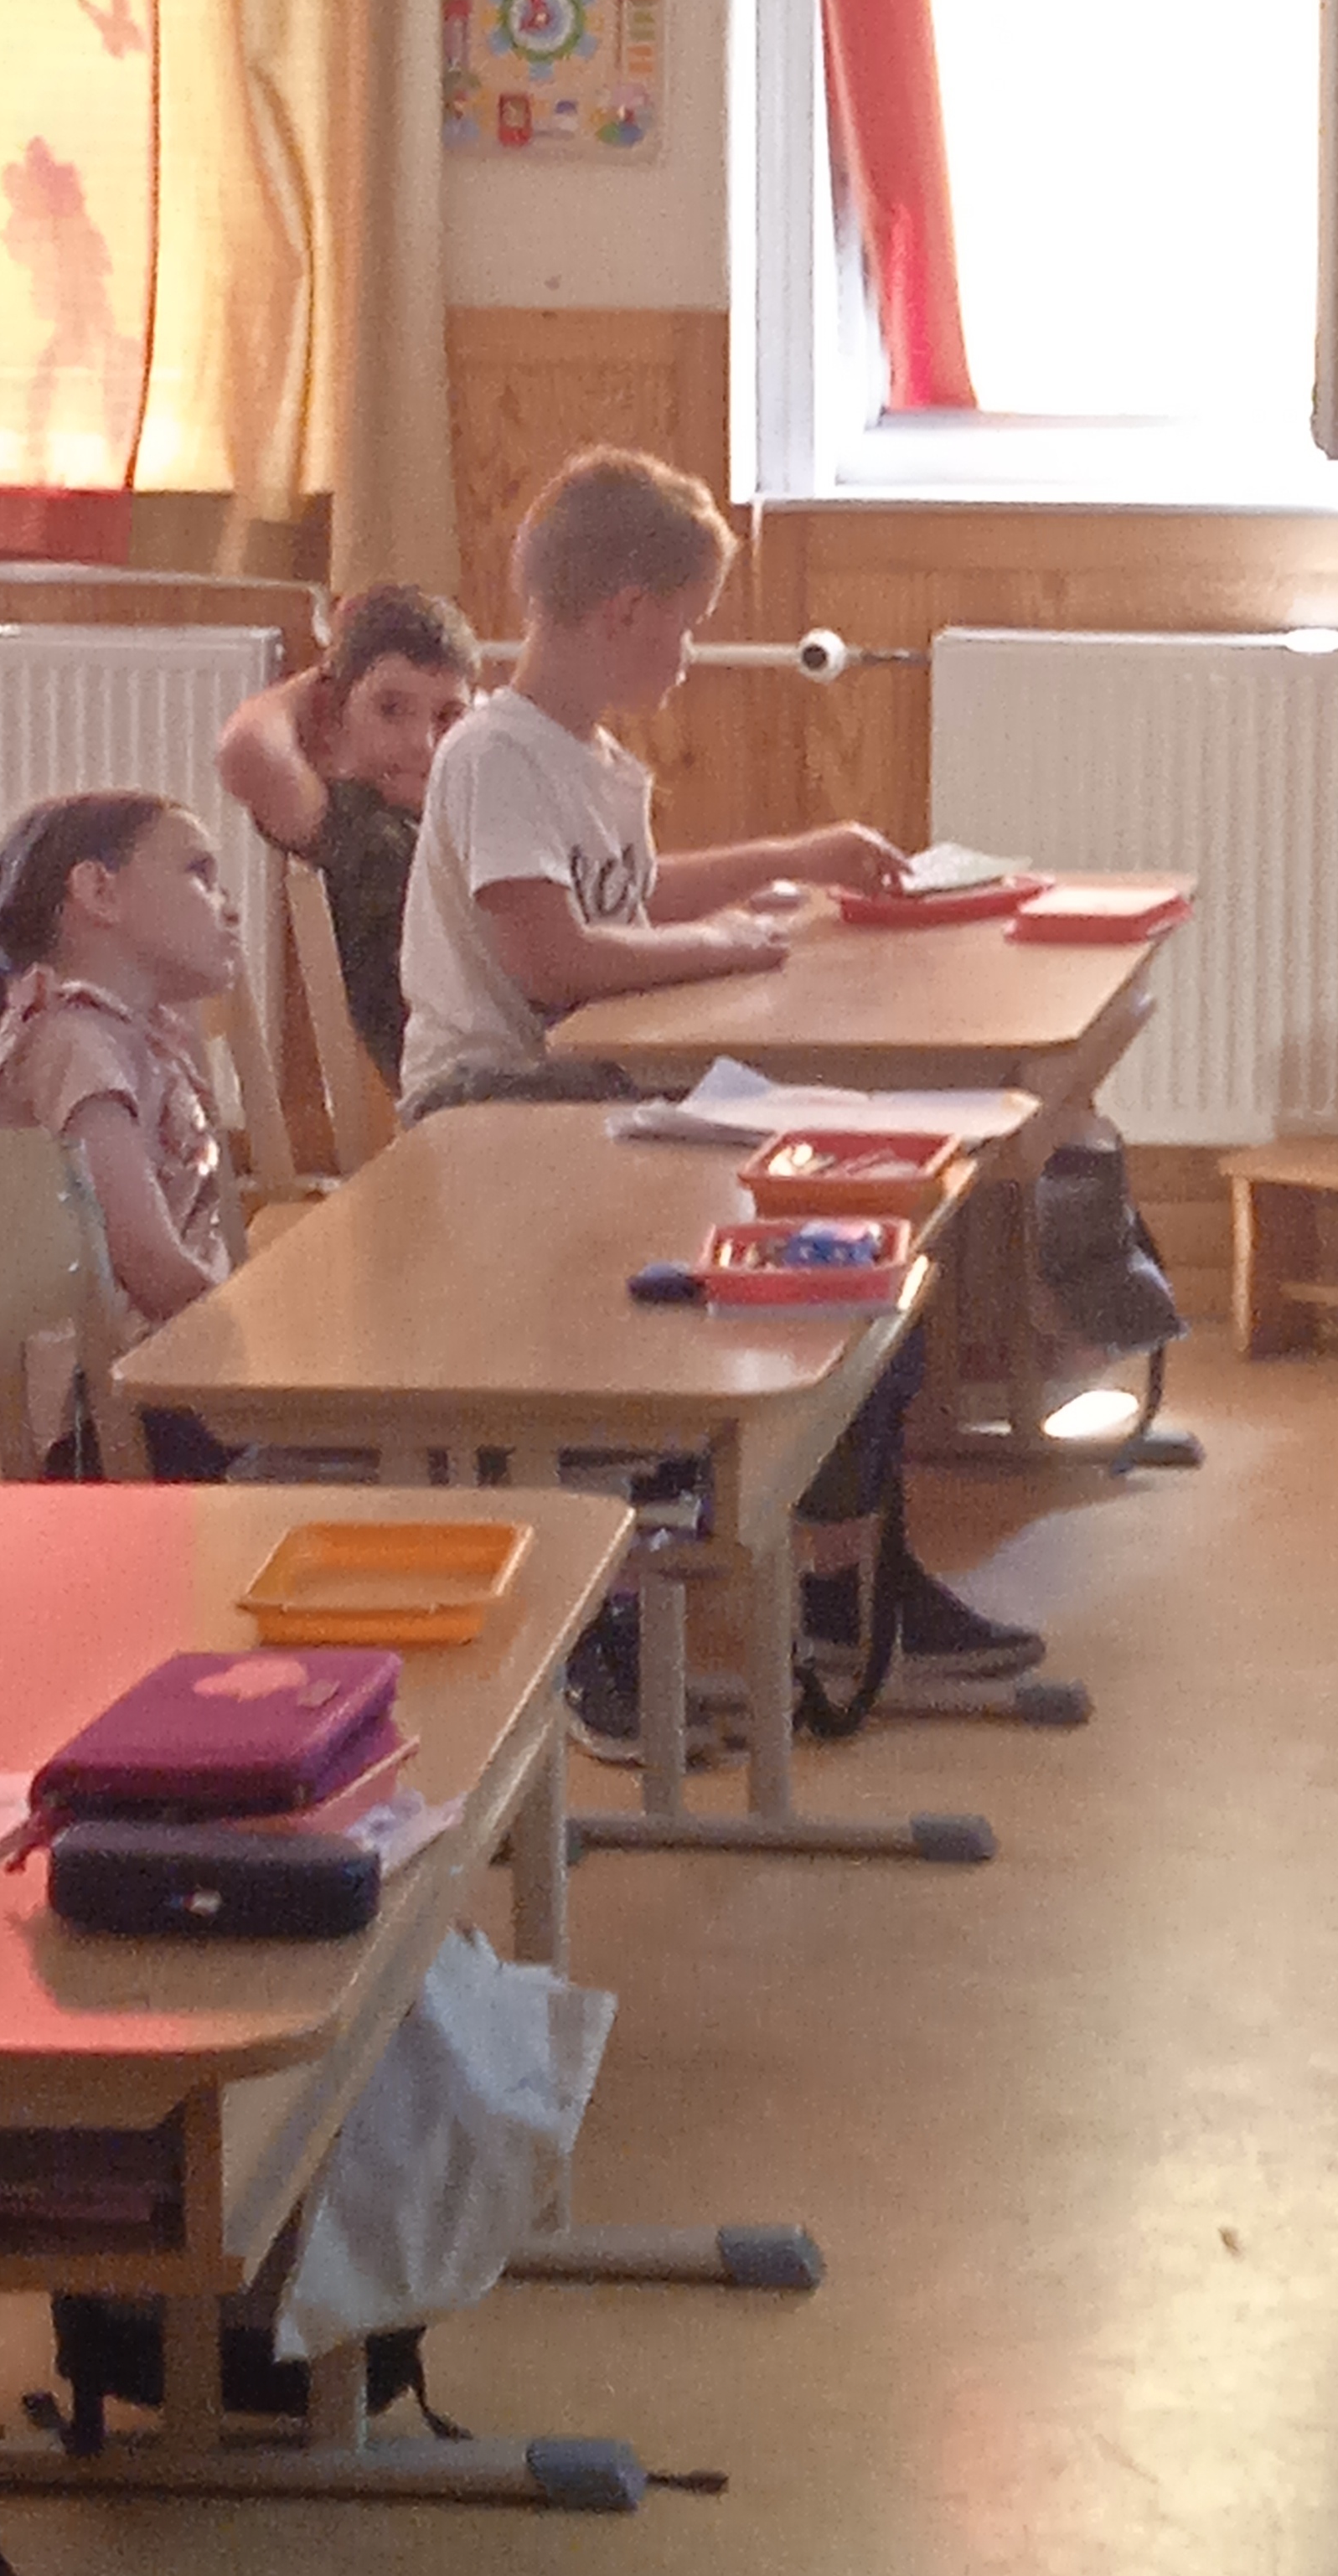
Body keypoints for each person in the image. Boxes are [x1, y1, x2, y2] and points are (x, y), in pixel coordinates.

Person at [395, 445, 1045, 1740]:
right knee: (785, 1227)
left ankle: (847, 1581)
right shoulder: (494, 755)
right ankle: (623, 1603)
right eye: (686, 626)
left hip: (589, 1092)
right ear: (626, 610)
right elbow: (553, 958)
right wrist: (727, 949)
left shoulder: (585, 758)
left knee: (859, 1215)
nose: (688, 655)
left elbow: (625, 900)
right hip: (492, 1111)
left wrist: (789, 864)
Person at [0, 792, 245, 1479]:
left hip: (158, 1389)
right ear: (98, 891)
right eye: (199, 874)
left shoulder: (119, 1034)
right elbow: (150, 1266)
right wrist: (272, 1342)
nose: (228, 906)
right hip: (115, 1426)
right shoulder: (75, 1044)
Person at [217, 581, 481, 1091]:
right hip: (463, 1088)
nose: (423, 744)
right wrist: (325, 672)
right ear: (335, 718)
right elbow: (247, 753)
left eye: (448, 716)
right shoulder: (364, 832)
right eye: (391, 709)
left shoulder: (455, 811)